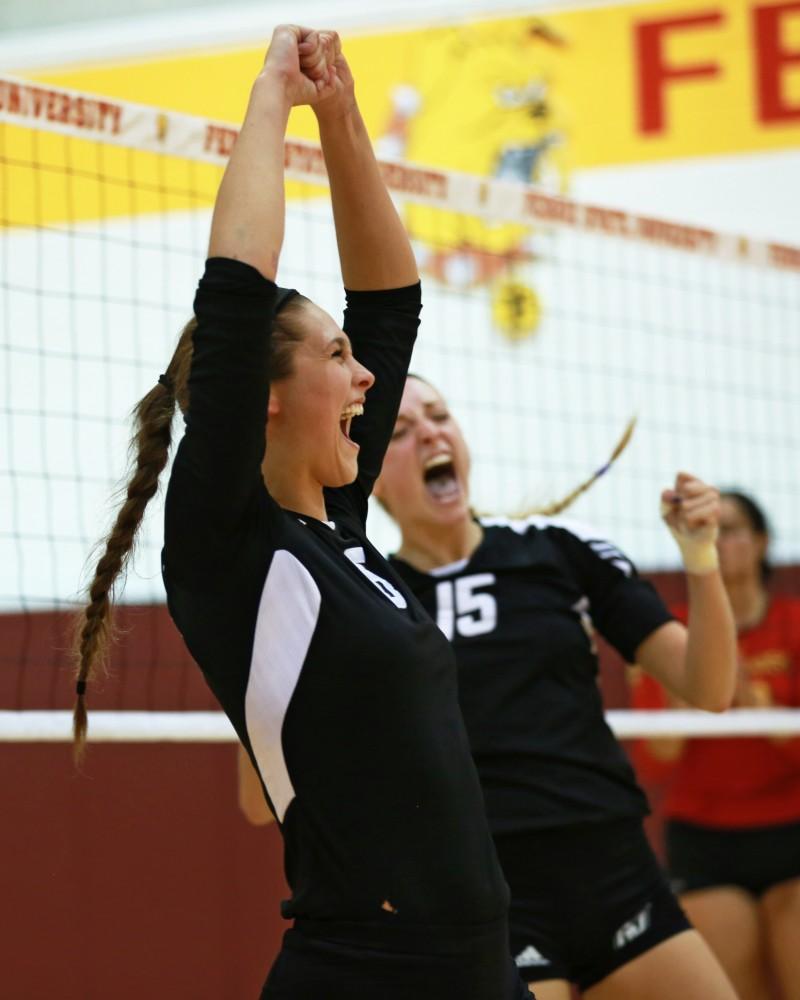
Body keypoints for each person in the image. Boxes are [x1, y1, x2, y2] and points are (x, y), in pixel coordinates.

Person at [71, 28, 529, 999]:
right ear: (263, 397)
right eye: (333, 356)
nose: (367, 373)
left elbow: (391, 301)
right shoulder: (227, 550)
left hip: (475, 965)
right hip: (366, 974)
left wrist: (343, 115)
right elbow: (235, 298)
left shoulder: (345, 529)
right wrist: (270, 98)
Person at [373, 373, 740, 999]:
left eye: (439, 414)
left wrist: (700, 559)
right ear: (370, 478)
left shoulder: (559, 554)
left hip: (614, 869)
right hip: (486, 892)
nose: (430, 432)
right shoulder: (370, 596)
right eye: (401, 431)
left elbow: (708, 687)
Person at [632, 491, 800, 1000]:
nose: (718, 542)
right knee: (735, 974)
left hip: (791, 830)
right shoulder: (669, 633)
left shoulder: (792, 624)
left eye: (729, 529)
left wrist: (754, 697)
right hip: (704, 839)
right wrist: (696, 681)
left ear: (761, 542)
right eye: (708, 532)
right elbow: (657, 758)